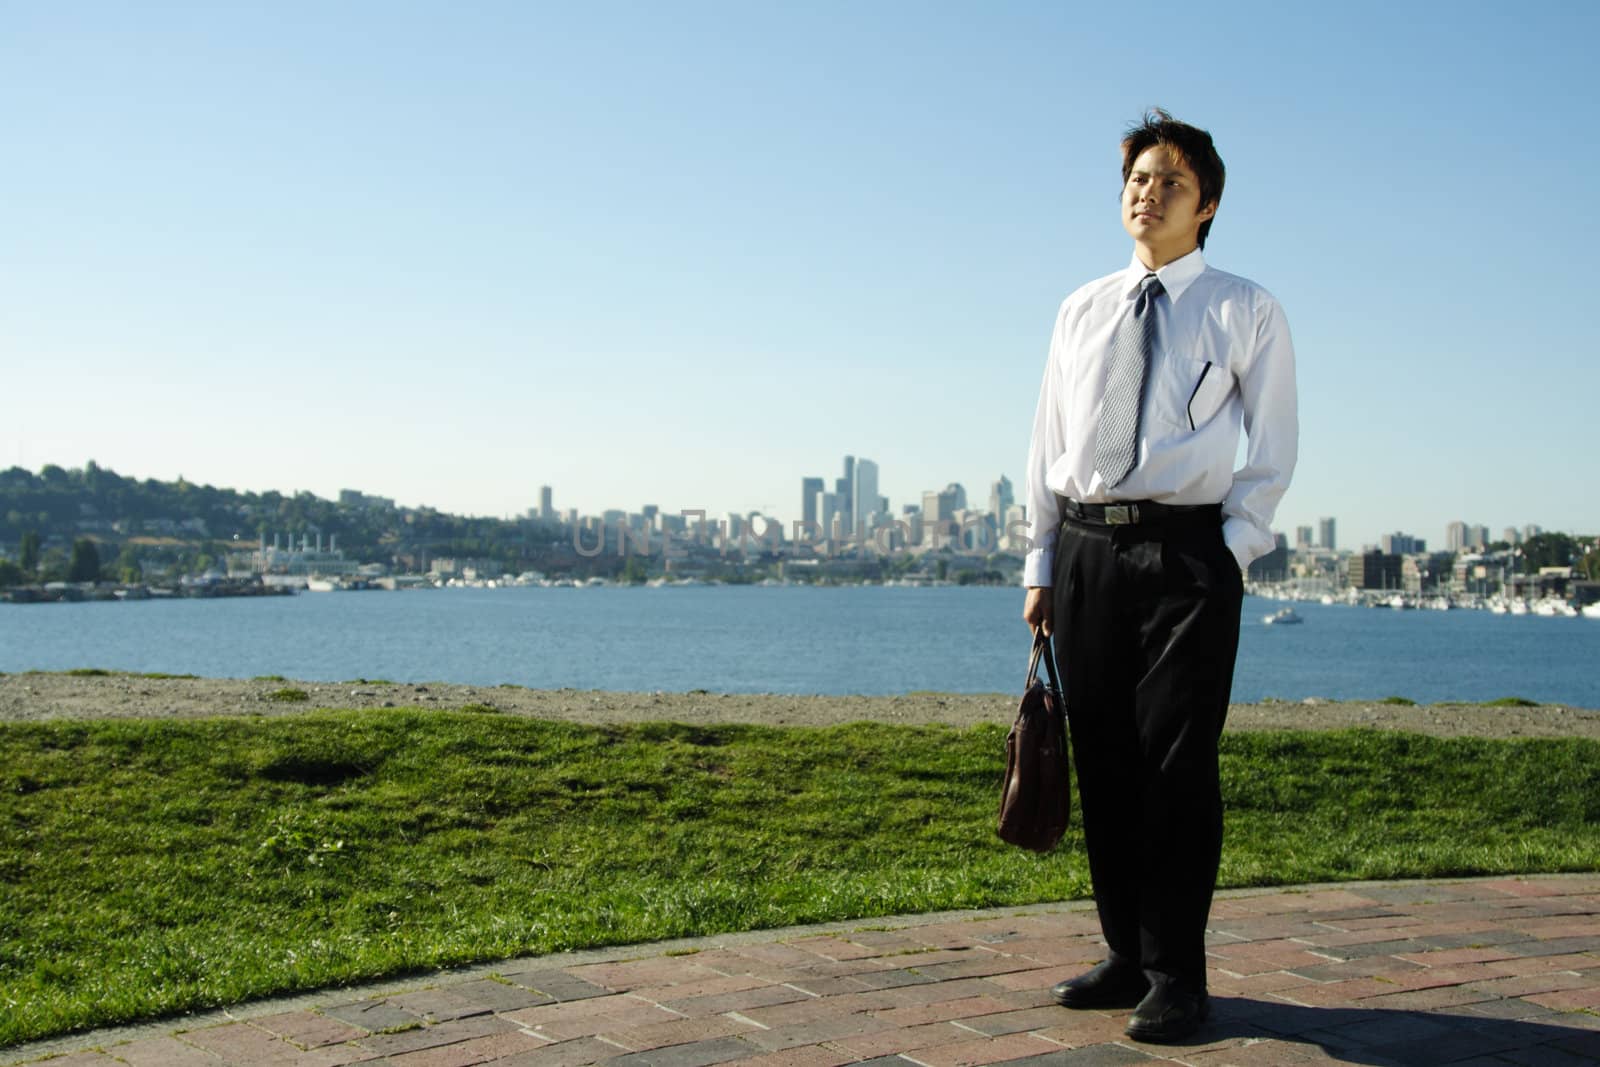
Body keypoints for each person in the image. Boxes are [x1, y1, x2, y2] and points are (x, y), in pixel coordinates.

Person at [1020, 109, 1297, 1043]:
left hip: (1187, 557)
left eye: (1170, 181)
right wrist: (1042, 561)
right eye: (1138, 178)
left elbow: (1275, 441)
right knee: (1102, 755)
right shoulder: (1081, 307)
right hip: (1088, 551)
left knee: (1175, 763)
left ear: (1206, 203)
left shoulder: (1244, 307)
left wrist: (1235, 546)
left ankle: (1180, 972)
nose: (1149, 192)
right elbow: (1048, 443)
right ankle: (1128, 954)